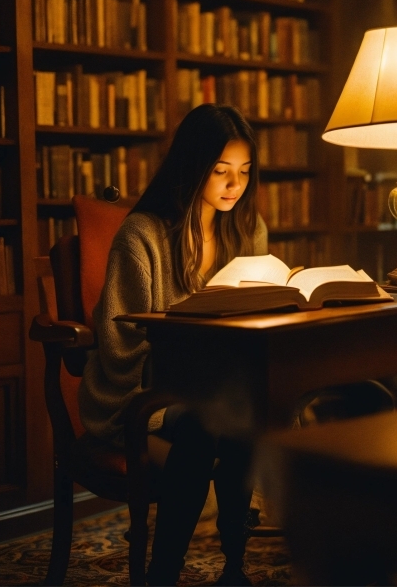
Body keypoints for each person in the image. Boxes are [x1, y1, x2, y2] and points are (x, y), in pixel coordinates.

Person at [79, 104, 267, 586]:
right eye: (221, 171)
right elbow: (119, 345)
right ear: (192, 167)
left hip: (220, 387)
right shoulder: (142, 235)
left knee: (248, 415)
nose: (234, 185)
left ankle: (234, 566)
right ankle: (164, 573)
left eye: (244, 172)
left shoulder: (248, 231)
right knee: (209, 423)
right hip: (142, 397)